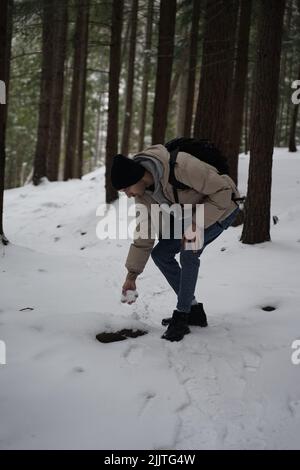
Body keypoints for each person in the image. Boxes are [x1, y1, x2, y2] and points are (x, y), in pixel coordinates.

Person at [110, 144, 240, 342]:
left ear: (136, 177)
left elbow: (222, 191)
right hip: (191, 217)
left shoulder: (181, 166)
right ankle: (194, 310)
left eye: (126, 188)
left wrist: (197, 224)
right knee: (161, 253)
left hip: (222, 208)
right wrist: (131, 276)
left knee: (189, 250)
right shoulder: (143, 195)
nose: (127, 194)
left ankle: (182, 315)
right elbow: (144, 235)